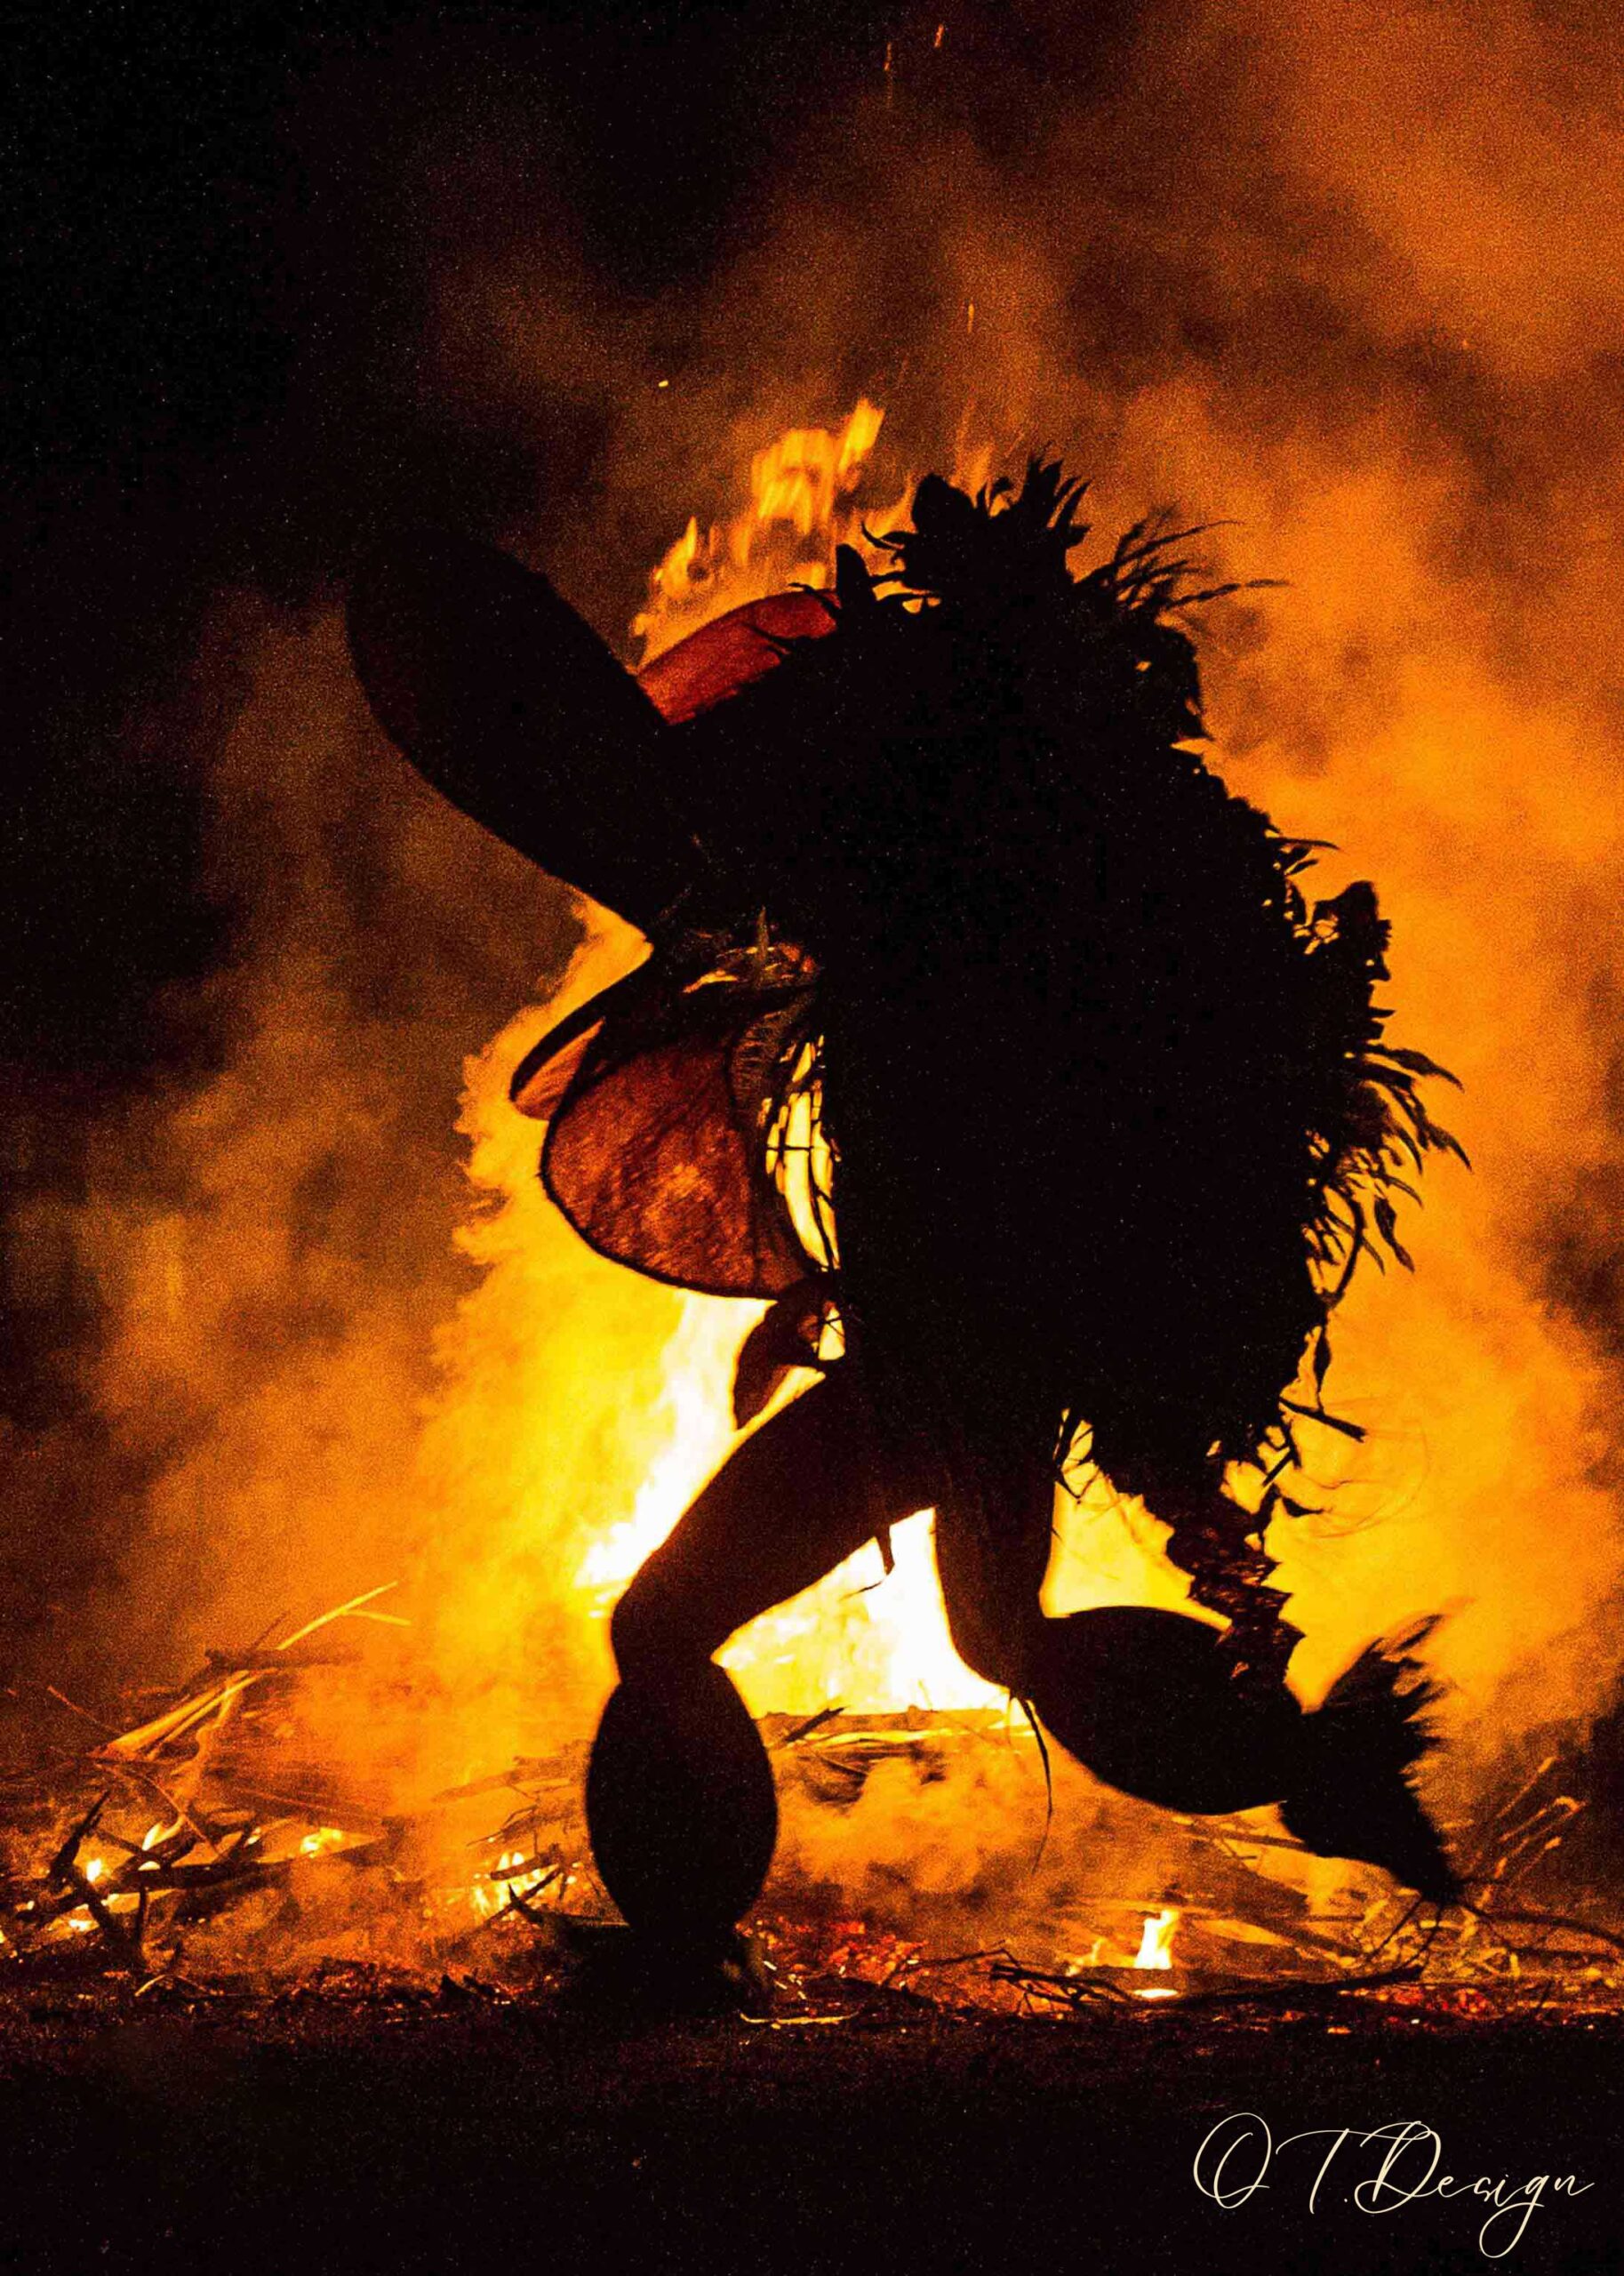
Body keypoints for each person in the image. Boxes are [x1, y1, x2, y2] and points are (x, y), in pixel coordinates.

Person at [348, 461, 1462, 1951]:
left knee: (666, 1630)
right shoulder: (939, 977)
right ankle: (1304, 1764)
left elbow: (966, 1178)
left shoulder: (949, 982)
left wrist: (885, 1324)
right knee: (994, 1638)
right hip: (961, 1369)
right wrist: (833, 1301)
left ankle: (685, 1936)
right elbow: (945, 1174)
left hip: (946, 1379)